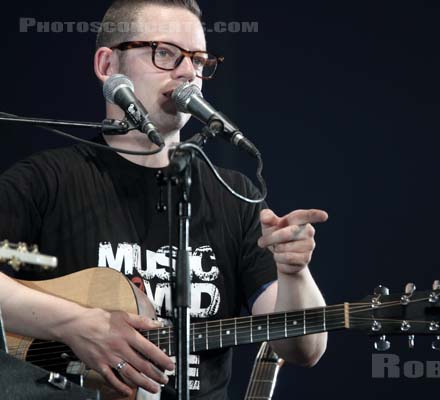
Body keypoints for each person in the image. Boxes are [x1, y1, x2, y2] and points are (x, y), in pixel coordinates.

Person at [0, 0, 328, 398]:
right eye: (166, 54)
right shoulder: (46, 180)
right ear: (107, 66)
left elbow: (304, 348)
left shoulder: (234, 194)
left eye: (199, 60)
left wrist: (294, 272)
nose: (189, 72)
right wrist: (75, 323)